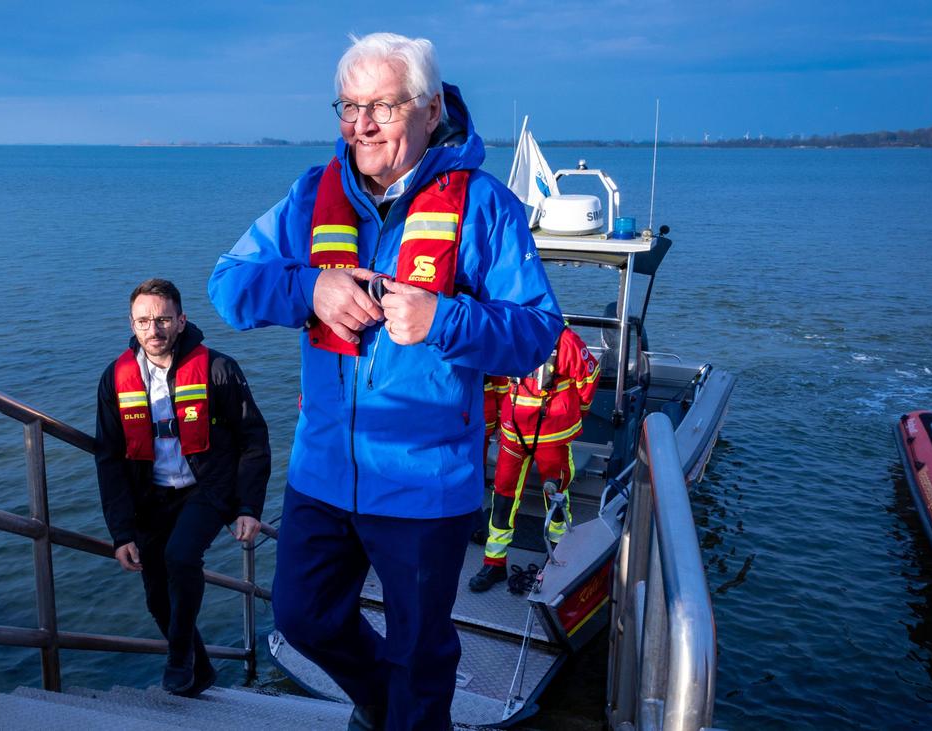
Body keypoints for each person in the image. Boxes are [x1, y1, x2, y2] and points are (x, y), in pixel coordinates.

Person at [208, 33, 562, 730]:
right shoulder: (311, 195)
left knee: (421, 652)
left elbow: (537, 331)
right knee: (302, 617)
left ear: (430, 111)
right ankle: (380, 704)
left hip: (425, 482)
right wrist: (310, 289)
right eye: (350, 106)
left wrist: (444, 318)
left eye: (384, 107)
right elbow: (229, 283)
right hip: (322, 472)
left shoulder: (483, 205)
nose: (362, 124)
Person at [94, 278, 270, 698]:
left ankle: (177, 657)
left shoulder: (218, 370)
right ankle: (200, 670)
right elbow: (109, 460)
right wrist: (121, 532)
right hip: (151, 497)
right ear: (132, 324)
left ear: (181, 320)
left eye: (162, 319)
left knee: (181, 556)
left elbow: (253, 439)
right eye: (143, 321)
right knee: (157, 597)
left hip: (206, 487)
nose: (153, 329)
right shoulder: (115, 379)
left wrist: (248, 507)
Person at [469, 325, 600, 592]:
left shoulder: (565, 339)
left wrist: (574, 411)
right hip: (514, 431)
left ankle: (558, 558)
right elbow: (497, 376)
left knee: (556, 497)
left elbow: (589, 376)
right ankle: (494, 562)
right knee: (503, 497)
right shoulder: (507, 330)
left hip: (552, 433)